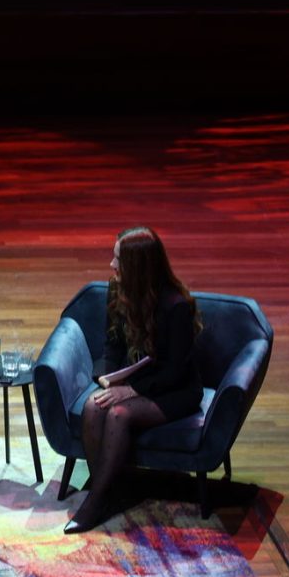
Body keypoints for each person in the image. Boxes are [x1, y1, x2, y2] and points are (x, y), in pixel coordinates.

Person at [67, 226, 202, 535]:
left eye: (118, 260)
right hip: (135, 379)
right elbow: (112, 344)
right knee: (92, 407)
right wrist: (110, 379)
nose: (112, 266)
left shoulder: (175, 306)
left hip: (175, 390)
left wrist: (131, 390)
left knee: (118, 414)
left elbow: (176, 372)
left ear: (139, 267)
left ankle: (94, 502)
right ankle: (110, 490)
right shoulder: (118, 291)